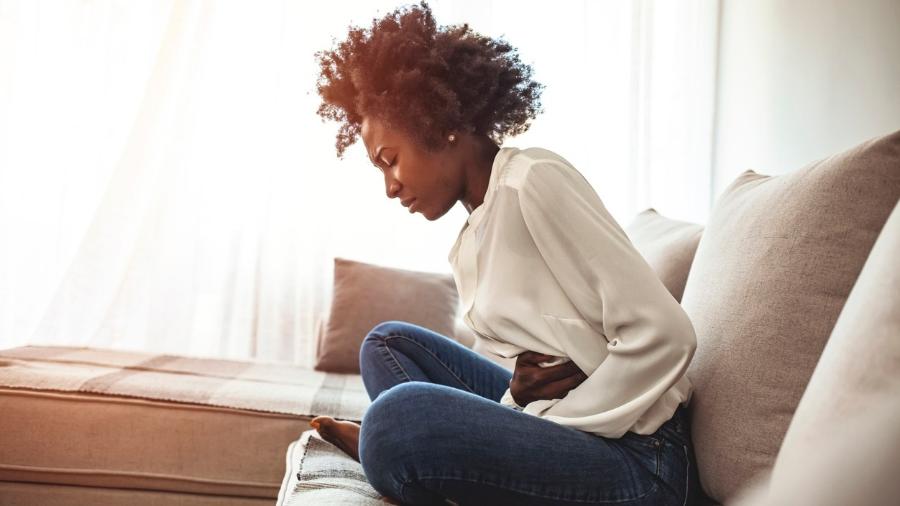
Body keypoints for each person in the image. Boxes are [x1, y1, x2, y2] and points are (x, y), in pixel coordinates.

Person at [309, 2, 701, 504]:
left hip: (644, 457)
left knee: (393, 423)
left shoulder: (533, 181)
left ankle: (397, 454)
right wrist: (516, 400)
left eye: (390, 161)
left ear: (437, 123)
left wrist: (536, 417)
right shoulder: (480, 221)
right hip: (578, 426)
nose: (390, 187)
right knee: (387, 345)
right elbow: (540, 371)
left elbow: (666, 335)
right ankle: (424, 466)